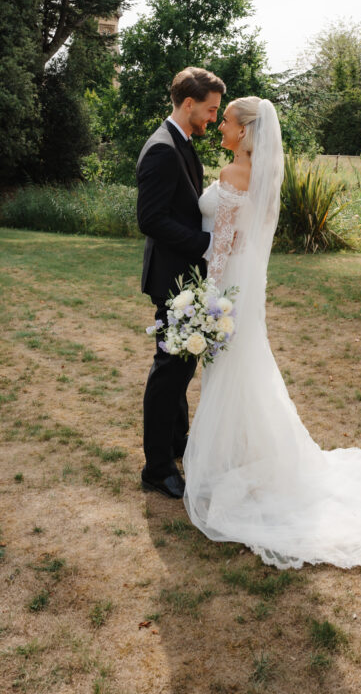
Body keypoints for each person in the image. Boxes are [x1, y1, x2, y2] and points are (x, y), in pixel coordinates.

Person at [183, 96, 361, 569]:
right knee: (244, 369)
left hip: (229, 287)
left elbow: (224, 247)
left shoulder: (233, 176)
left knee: (232, 372)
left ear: (246, 133)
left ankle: (230, 464)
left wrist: (204, 302)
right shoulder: (264, 178)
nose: (222, 126)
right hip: (249, 289)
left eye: (227, 121)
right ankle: (246, 458)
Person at [136, 67, 226, 498]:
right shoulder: (162, 150)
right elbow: (150, 219)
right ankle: (156, 468)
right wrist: (205, 244)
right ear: (188, 103)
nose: (213, 118)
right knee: (169, 370)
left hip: (186, 277)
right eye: (210, 110)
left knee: (181, 367)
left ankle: (177, 445)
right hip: (172, 278)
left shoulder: (183, 143)